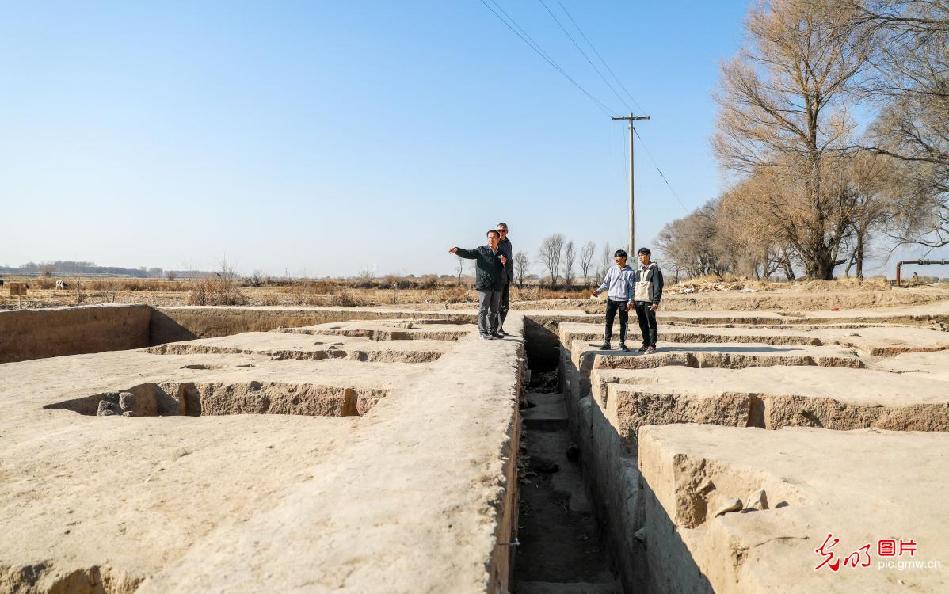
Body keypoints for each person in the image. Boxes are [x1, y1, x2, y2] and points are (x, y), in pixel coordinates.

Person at [449, 230, 507, 340]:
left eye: (493, 237)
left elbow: (504, 268)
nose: (491, 239)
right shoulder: (481, 250)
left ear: (498, 239)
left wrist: (504, 263)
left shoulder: (501, 253)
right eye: (489, 237)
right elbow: (468, 253)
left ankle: (492, 331)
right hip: (484, 284)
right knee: (484, 309)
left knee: (494, 310)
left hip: (496, 285)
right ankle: (483, 332)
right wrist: (457, 250)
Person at [592, 249, 635, 351]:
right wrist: (598, 291)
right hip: (611, 299)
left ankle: (622, 343)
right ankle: (607, 342)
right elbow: (606, 283)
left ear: (624, 258)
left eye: (618, 257)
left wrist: (630, 301)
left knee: (623, 322)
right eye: (615, 257)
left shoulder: (630, 272)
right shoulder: (612, 270)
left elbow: (631, 288)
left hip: (623, 301)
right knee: (608, 321)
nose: (616, 259)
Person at [632, 247, 664, 354]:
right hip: (638, 301)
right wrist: (632, 300)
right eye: (639, 255)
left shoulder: (654, 269)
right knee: (642, 323)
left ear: (648, 255)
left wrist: (656, 301)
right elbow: (634, 285)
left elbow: (658, 285)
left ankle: (652, 345)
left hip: (649, 301)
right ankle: (645, 344)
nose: (640, 257)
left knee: (651, 323)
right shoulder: (639, 269)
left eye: (642, 255)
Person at [495, 222, 513, 335]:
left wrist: (511, 276)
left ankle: (499, 327)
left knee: (505, 306)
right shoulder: (495, 242)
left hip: (506, 277)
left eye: (502, 230)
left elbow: (510, 260)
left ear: (507, 231)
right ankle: (495, 328)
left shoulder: (509, 244)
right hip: (498, 278)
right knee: (497, 305)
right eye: (498, 231)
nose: (500, 233)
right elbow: (491, 256)